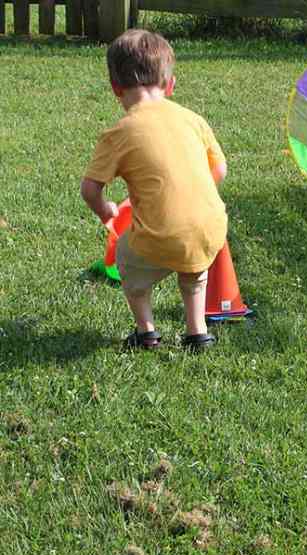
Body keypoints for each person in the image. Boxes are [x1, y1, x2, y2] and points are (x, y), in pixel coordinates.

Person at [81, 29, 228, 351]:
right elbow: (220, 170)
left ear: (115, 89)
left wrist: (105, 209)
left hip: (162, 234)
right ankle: (197, 333)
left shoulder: (118, 133)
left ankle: (147, 332)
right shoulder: (193, 119)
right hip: (211, 228)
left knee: (127, 263)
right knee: (192, 274)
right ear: (170, 85)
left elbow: (91, 189)